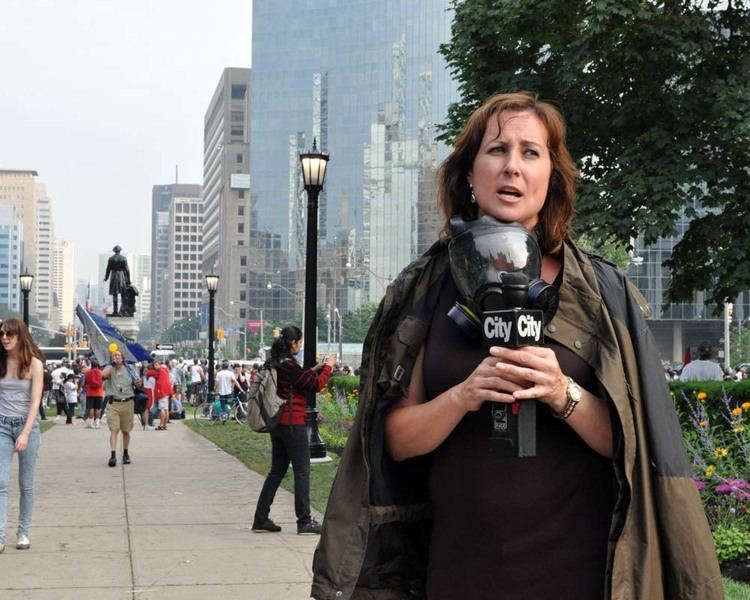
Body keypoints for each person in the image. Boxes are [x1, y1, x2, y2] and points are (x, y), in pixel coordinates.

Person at [311, 92, 722, 599]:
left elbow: (636, 444)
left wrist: (561, 392)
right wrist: (463, 395)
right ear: (468, 172)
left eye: (531, 153)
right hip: (459, 571)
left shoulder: (598, 293)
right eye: (497, 150)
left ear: (552, 177)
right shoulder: (422, 289)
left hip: (580, 570)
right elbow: (394, 438)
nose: (512, 167)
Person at [252, 326, 336, 535]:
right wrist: (329, 368)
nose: (301, 345)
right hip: (293, 423)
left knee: (277, 471)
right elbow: (314, 385)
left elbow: (298, 379)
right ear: (293, 343)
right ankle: (304, 520)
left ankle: (261, 518)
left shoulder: (276, 362)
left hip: (278, 423)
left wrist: (314, 369)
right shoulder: (289, 365)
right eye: (300, 342)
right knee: (302, 470)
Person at [0, 317, 44, 553]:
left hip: (28, 426)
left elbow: (35, 402)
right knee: (0, 482)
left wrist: (25, 433)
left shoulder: (34, 364)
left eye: (10, 334)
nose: (5, 338)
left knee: (25, 484)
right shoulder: (1, 362)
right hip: (2, 426)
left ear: (20, 336)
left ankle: (23, 531)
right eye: (2, 334)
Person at [101, 349, 140, 467]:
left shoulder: (130, 369)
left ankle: (126, 454)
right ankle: (113, 455)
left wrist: (138, 383)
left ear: (123, 358)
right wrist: (111, 364)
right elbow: (103, 376)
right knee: (114, 429)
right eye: (114, 356)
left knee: (126, 430)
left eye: (118, 355)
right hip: (114, 403)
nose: (116, 357)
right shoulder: (109, 369)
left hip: (128, 402)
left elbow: (138, 384)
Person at [103, 245, 131, 317]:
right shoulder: (123, 259)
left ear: (114, 251)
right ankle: (122, 311)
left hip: (114, 277)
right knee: (123, 295)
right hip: (122, 277)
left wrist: (106, 277)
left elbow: (108, 269)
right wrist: (128, 280)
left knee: (114, 294)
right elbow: (127, 270)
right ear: (120, 251)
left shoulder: (111, 259)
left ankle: (115, 311)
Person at [146, 358, 172, 431]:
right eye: (154, 365)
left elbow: (148, 373)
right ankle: (165, 424)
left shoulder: (159, 371)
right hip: (167, 391)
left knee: (162, 409)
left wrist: (149, 369)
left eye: (156, 365)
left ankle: (161, 425)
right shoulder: (165, 370)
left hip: (162, 392)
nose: (155, 366)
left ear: (160, 365)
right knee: (166, 409)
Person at [84, 359, 104, 429]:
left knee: (91, 408)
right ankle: (97, 423)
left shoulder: (87, 372)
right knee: (98, 408)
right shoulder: (101, 372)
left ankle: (91, 423)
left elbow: (85, 382)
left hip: (90, 392)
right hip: (99, 393)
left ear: (91, 365)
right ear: (98, 365)